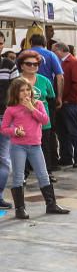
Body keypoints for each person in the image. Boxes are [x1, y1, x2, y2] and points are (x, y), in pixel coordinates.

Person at [2, 77, 69, 219]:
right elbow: (4, 129)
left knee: (43, 174)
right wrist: (15, 131)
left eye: (28, 90)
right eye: (22, 90)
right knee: (18, 176)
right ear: (15, 92)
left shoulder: (38, 104)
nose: (26, 93)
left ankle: (51, 204)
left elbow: (45, 120)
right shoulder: (11, 109)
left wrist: (31, 108)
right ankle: (20, 208)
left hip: (35, 145)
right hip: (18, 146)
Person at [17, 50, 58, 181]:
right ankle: (22, 174)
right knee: (21, 148)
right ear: (22, 65)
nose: (33, 67)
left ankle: (47, 172)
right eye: (29, 64)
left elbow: (51, 99)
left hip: (42, 121)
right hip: (22, 122)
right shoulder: (16, 82)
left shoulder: (45, 80)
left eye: (35, 64)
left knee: (45, 147)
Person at [52, 42, 77, 168]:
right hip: (61, 102)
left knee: (74, 131)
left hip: (70, 103)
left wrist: (69, 98)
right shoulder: (62, 62)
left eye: (54, 51)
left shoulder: (74, 62)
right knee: (62, 131)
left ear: (59, 51)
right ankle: (66, 157)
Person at [0, 45, 17, 208]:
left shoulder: (9, 65)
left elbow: (15, 91)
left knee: (4, 159)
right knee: (4, 160)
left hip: (4, 117)